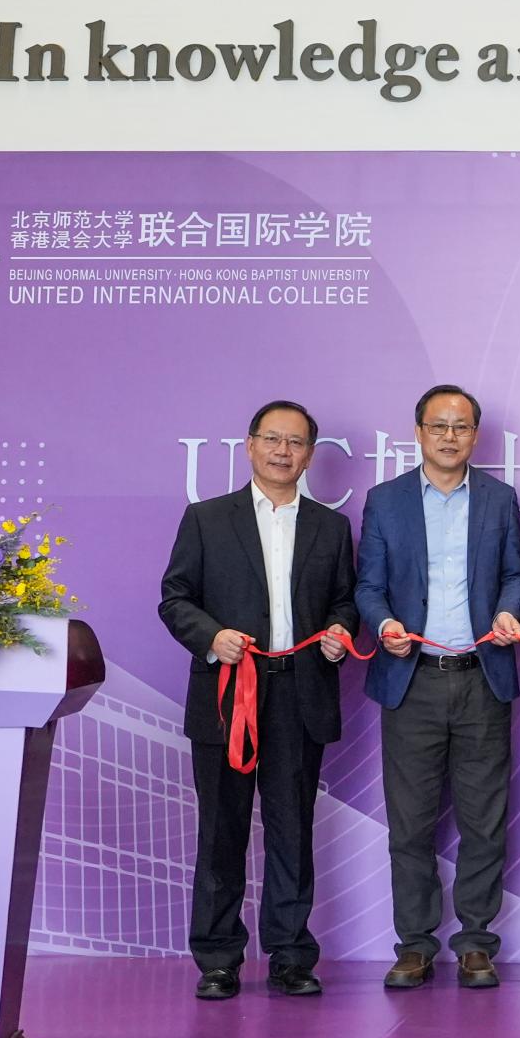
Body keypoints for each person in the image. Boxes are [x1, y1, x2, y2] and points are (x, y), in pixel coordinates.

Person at [158, 400, 357, 1000]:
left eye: (295, 443)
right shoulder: (207, 518)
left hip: (300, 693)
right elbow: (175, 597)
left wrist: (340, 632)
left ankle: (291, 954)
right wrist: (210, 637)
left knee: (292, 829)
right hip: (227, 693)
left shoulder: (330, 527)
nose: (282, 452)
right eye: (272, 439)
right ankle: (218, 956)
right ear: (249, 446)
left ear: (310, 455)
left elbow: (344, 601)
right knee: (221, 829)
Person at [356, 385, 520, 991]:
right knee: (410, 825)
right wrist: (384, 625)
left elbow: (515, 575)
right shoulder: (386, 501)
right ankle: (415, 945)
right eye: (438, 426)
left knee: (484, 821)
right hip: (412, 682)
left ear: (475, 435)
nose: (449, 437)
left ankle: (476, 943)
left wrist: (508, 611)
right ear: (419, 433)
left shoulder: (499, 499)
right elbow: (368, 586)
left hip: (482, 678)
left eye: (460, 427)